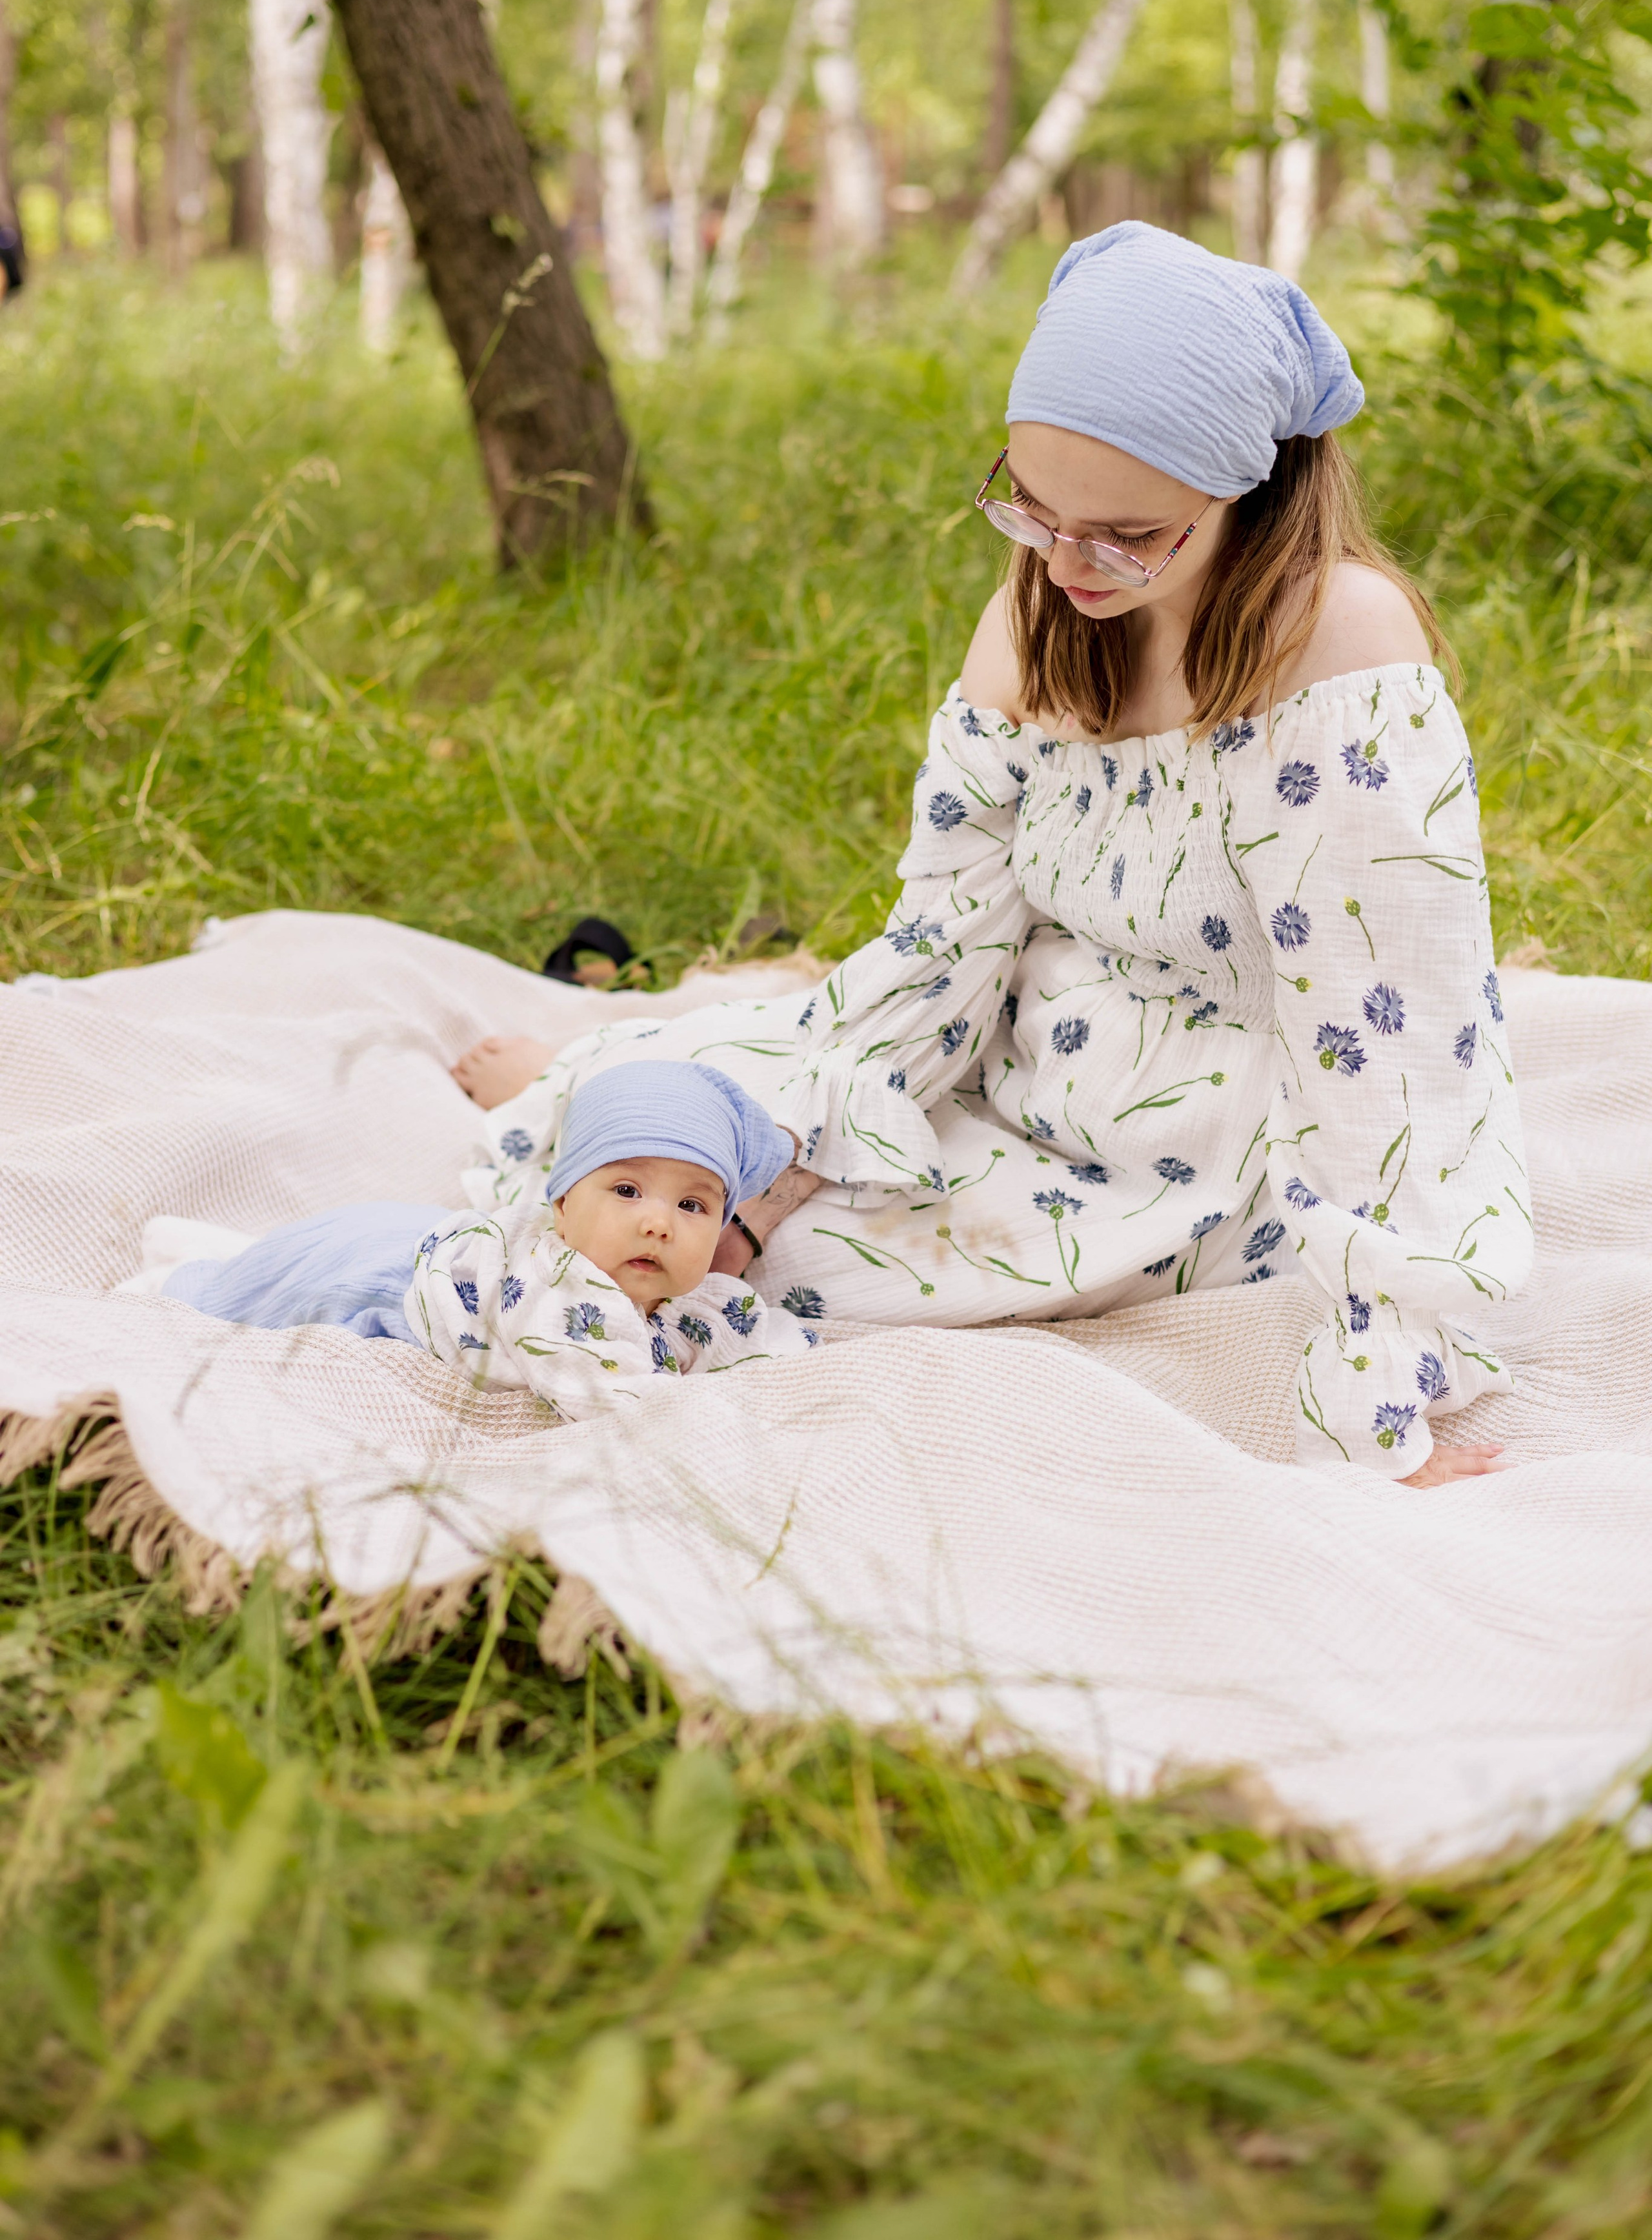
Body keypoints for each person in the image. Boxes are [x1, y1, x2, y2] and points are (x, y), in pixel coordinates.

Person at [450, 222, 1530, 1488]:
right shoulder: (1040, 612)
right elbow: (941, 955)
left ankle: (630, 1078)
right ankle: (612, 1067)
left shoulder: (1334, 641)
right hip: (1027, 1056)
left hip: (1214, 1142)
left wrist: (1378, 1398)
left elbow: (1392, 1048)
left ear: (1245, 486)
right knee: (660, 1175)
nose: (1066, 564)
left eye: (1124, 533)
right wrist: (769, 1172)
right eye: (1031, 511)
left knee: (778, 1273)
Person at [121, 1061, 820, 1420]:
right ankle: (181, 1277)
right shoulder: (569, 1298)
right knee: (257, 1293)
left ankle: (210, 1253)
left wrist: (793, 1355)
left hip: (419, 1234)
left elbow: (742, 1326)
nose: (658, 1223)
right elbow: (614, 1404)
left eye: (693, 1204)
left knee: (270, 1259)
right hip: (387, 1271)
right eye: (628, 1191)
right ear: (563, 1205)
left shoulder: (675, 1294)